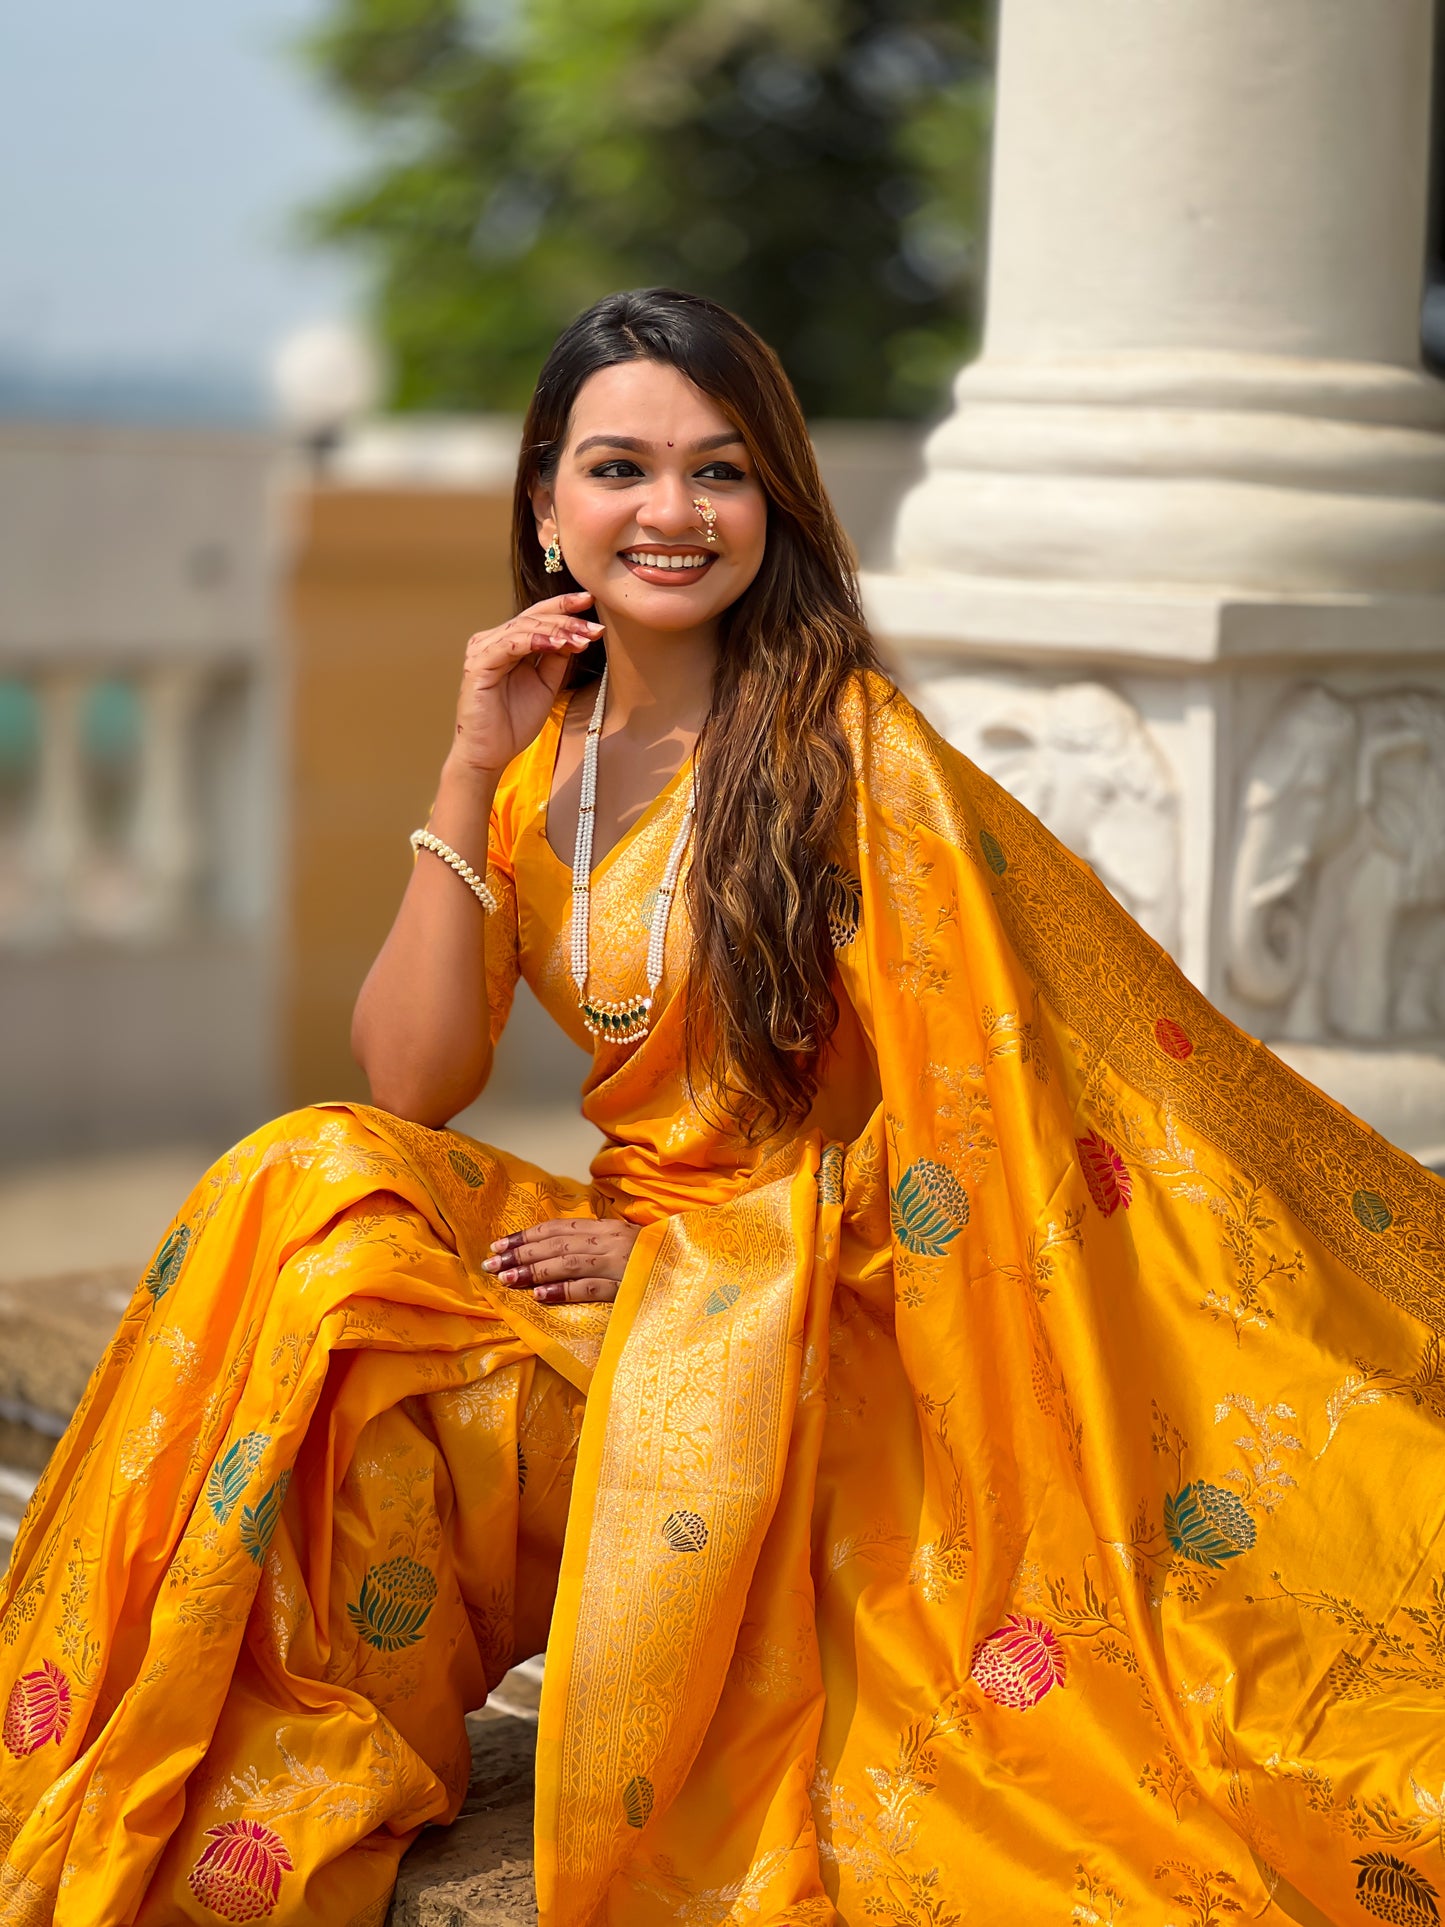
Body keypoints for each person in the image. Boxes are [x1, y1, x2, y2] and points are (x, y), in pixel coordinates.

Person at [2, 288, 1443, 1927]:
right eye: (620, 469)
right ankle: (220, 1760)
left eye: (721, 472)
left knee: (384, 1369)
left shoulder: (854, 757)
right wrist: (468, 768)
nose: (670, 514)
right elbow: (410, 1081)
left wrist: (700, 1268)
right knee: (310, 1181)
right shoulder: (546, 753)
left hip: (820, 1327)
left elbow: (1004, 1133)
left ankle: (269, 1779)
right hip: (641, 1267)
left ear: (777, 506)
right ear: (547, 505)